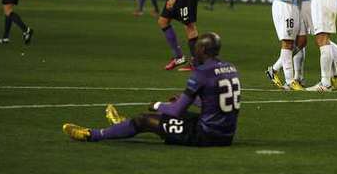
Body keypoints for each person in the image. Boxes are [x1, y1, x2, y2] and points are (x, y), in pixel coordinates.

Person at [62, 32, 239, 147]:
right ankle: (122, 125)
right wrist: (192, 100)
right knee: (164, 117)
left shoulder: (200, 73)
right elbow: (214, 100)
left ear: (203, 49)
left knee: (144, 120)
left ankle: (92, 135)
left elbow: (176, 111)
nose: (194, 51)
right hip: (226, 134)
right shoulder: (231, 68)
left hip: (205, 136)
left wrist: (156, 105)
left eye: (197, 47)